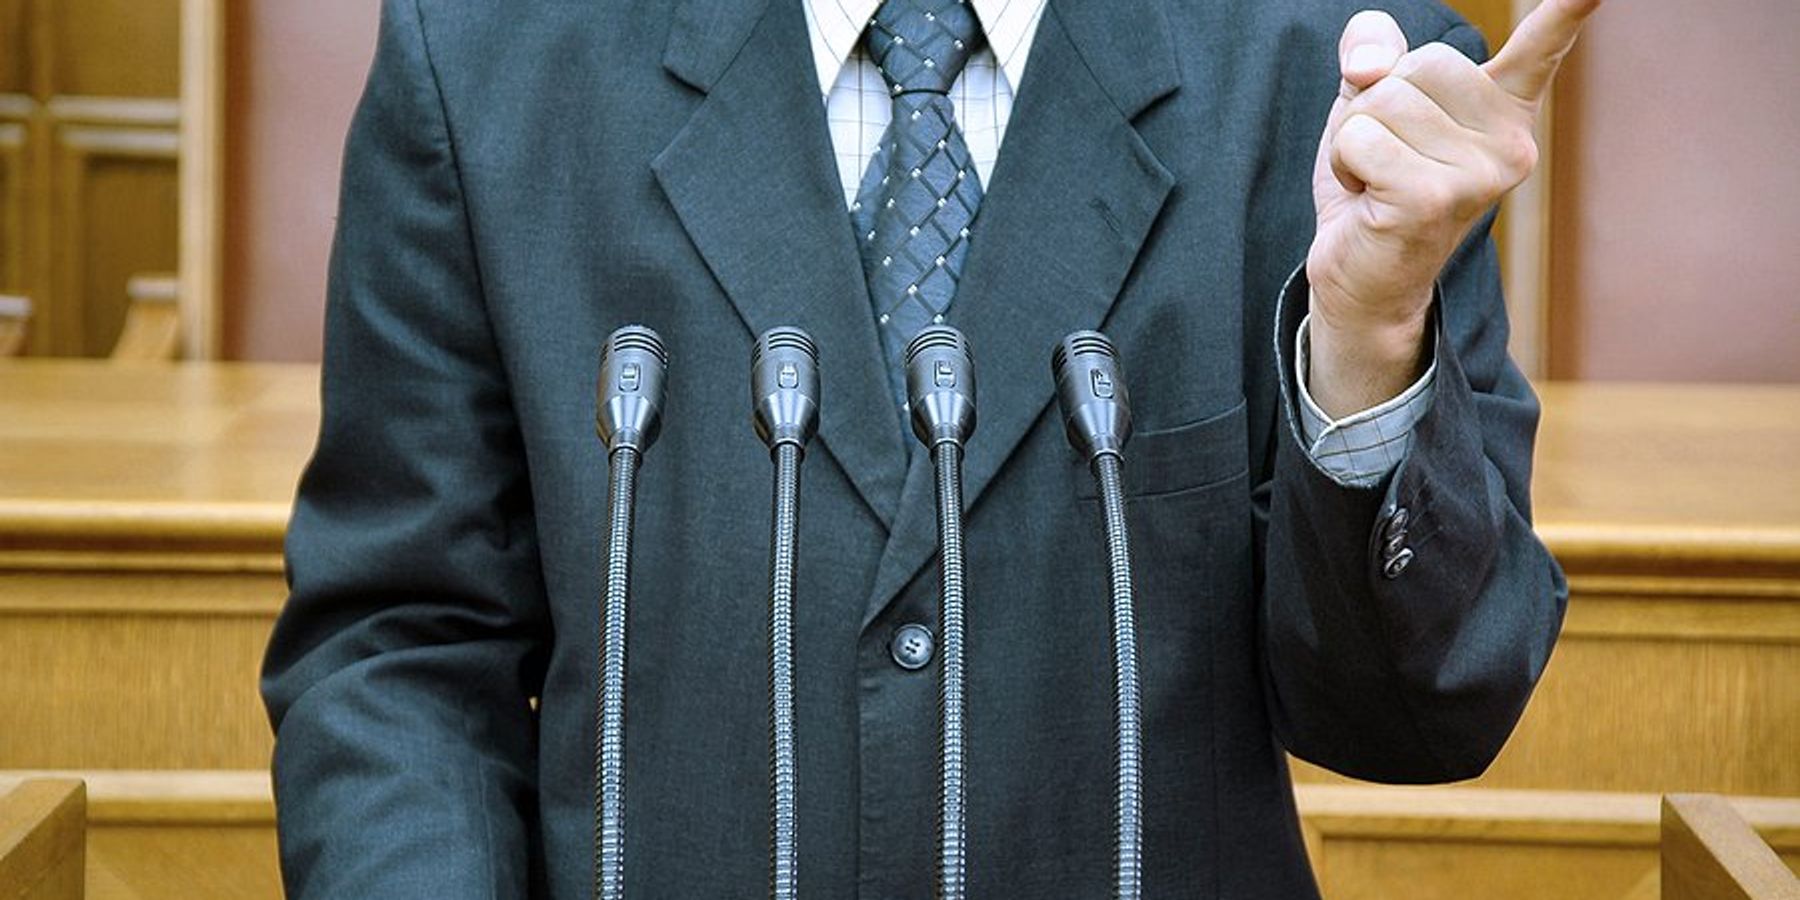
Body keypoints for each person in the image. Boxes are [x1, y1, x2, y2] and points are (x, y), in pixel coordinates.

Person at [261, 0, 1596, 895]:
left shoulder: (1344, 75)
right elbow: (401, 651)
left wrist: (1366, 339)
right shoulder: (484, 49)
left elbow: (1421, 716)